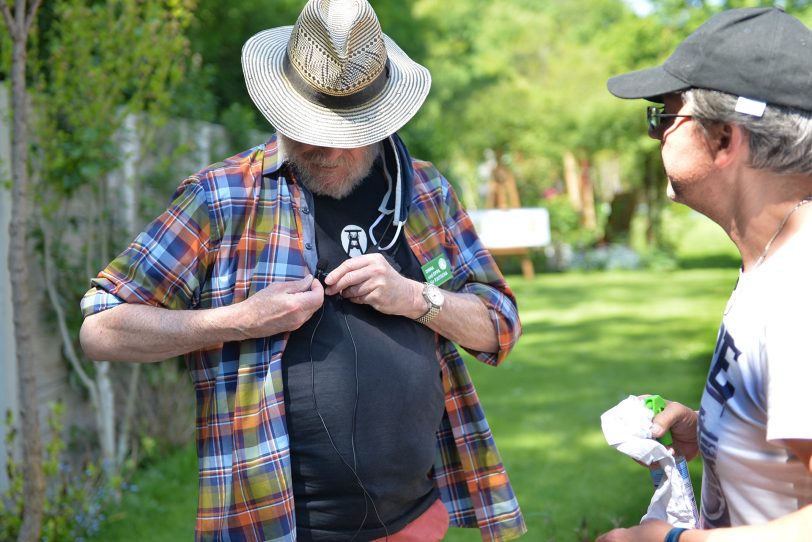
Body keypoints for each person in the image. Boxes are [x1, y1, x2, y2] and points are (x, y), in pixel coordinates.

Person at [78, 1, 526, 541]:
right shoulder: (222, 196)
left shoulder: (424, 191)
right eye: (309, 128)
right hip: (278, 527)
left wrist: (415, 297)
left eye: (346, 131)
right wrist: (238, 320)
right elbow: (101, 330)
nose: (327, 148)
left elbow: (499, 327)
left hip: (418, 516)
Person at [598, 7, 812, 542]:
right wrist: (715, 432)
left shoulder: (799, 289)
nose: (656, 137)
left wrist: (672, 541)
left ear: (723, 139)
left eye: (663, 117)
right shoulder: (772, 260)